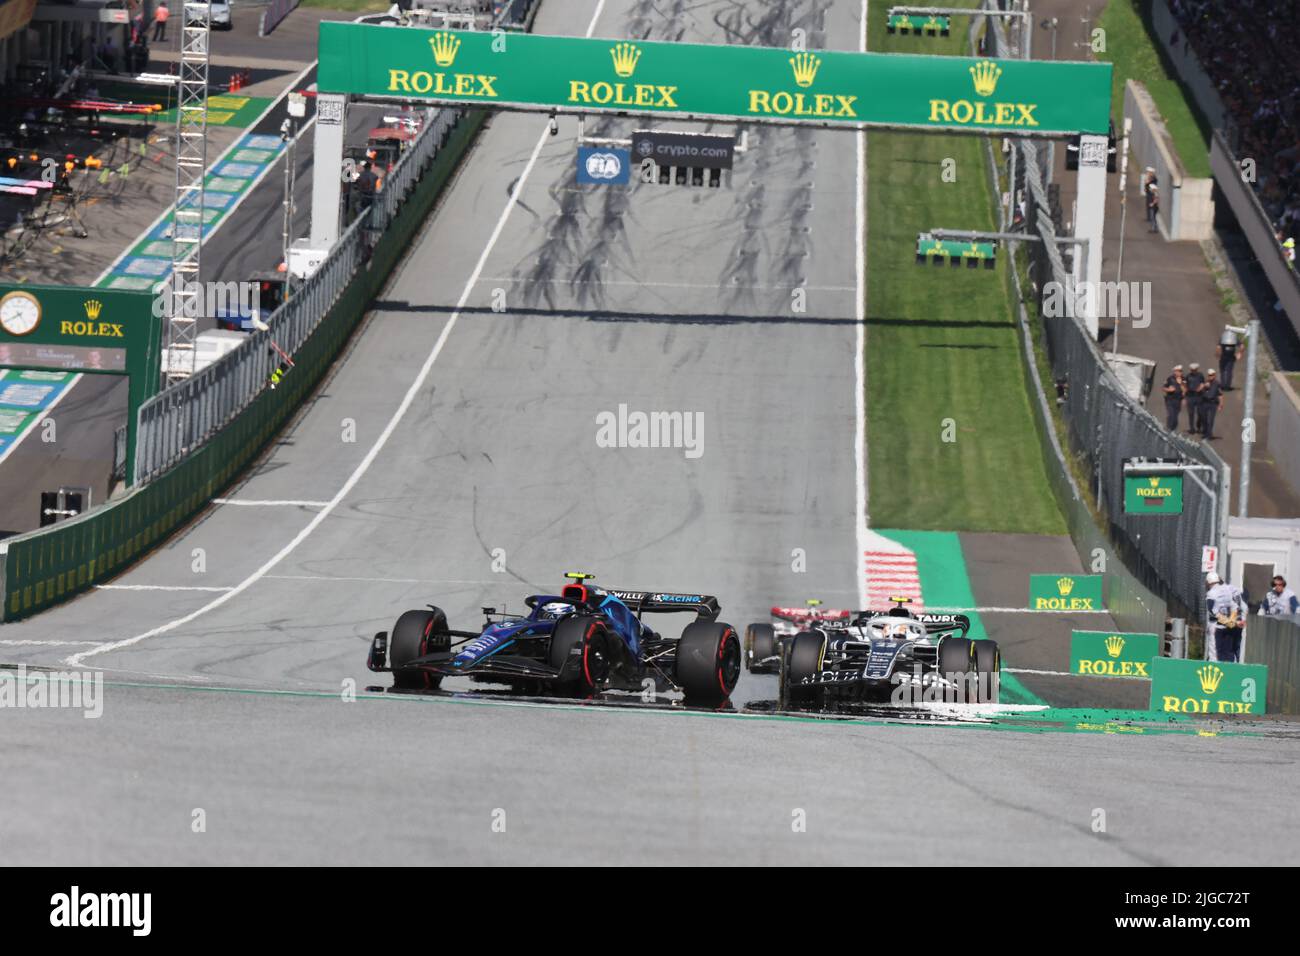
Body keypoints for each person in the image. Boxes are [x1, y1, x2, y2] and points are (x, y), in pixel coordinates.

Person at [1205, 571, 1247, 663]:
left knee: (1214, 652)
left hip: (1217, 625)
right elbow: (1236, 606)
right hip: (1231, 626)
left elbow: (1212, 611)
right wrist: (1232, 621)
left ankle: (1214, 672)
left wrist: (1226, 621)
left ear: (1209, 582)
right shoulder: (1228, 591)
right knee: (1230, 651)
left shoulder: (1211, 593)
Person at [1200, 368, 1224, 439]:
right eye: (1209, 375)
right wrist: (1204, 386)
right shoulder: (1204, 383)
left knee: (1210, 419)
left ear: (1214, 375)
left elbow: (1220, 394)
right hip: (1204, 403)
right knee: (1204, 418)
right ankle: (1205, 431)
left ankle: (1209, 434)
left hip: (1212, 403)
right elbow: (1198, 391)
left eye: (1212, 375)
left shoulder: (1217, 384)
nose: (1211, 376)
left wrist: (1221, 404)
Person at [1162, 364, 1185, 431]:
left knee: (1175, 418)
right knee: (1171, 415)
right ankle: (1168, 430)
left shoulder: (1183, 379)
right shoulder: (1170, 379)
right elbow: (1163, 388)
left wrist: (1180, 383)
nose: (1180, 372)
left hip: (1178, 400)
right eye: (1179, 371)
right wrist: (1169, 390)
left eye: (1181, 371)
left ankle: (1173, 430)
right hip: (1170, 400)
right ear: (1175, 372)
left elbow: (1185, 390)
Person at [1184, 363, 1205, 434]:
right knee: (1191, 413)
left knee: (1200, 413)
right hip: (1190, 396)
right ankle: (1192, 428)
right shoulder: (1188, 376)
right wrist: (1184, 397)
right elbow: (1185, 386)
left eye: (1194, 370)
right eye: (1192, 370)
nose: (1193, 371)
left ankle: (1199, 426)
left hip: (1199, 396)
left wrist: (1200, 388)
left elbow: (1202, 383)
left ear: (1197, 370)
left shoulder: (1200, 375)